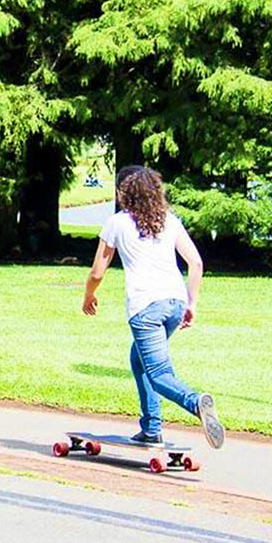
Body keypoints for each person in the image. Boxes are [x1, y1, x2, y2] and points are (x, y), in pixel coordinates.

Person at [82, 165, 225, 449]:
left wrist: (88, 296)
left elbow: (98, 271)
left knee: (159, 373)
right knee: (139, 360)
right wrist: (192, 302)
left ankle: (196, 403)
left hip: (145, 308)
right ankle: (151, 428)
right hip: (174, 303)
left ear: (125, 193)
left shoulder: (117, 223)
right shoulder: (169, 221)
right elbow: (196, 263)